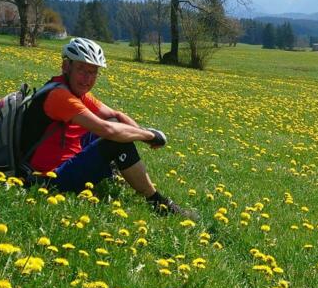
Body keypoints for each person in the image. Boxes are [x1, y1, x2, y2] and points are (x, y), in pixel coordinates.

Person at [20, 37, 194, 218]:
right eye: (81, 70)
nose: (87, 79)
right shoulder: (59, 96)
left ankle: (120, 174)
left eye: (93, 72)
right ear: (66, 66)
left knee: (114, 124)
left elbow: (115, 116)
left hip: (63, 160)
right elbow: (108, 130)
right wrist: (148, 136)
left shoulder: (72, 90)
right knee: (115, 140)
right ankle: (158, 203)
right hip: (47, 179)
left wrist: (145, 135)